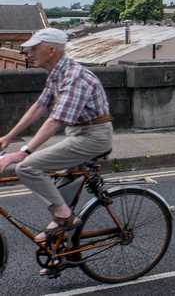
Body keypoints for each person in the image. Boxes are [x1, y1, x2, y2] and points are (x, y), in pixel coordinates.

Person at [0, 28, 113, 264]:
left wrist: (21, 153)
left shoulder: (75, 77)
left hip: (93, 137)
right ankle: (61, 245)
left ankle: (65, 217)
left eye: (34, 48)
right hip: (78, 134)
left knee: (28, 168)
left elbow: (56, 120)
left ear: (52, 50)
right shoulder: (56, 73)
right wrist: (8, 137)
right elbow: (39, 107)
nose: (28, 53)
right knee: (59, 188)